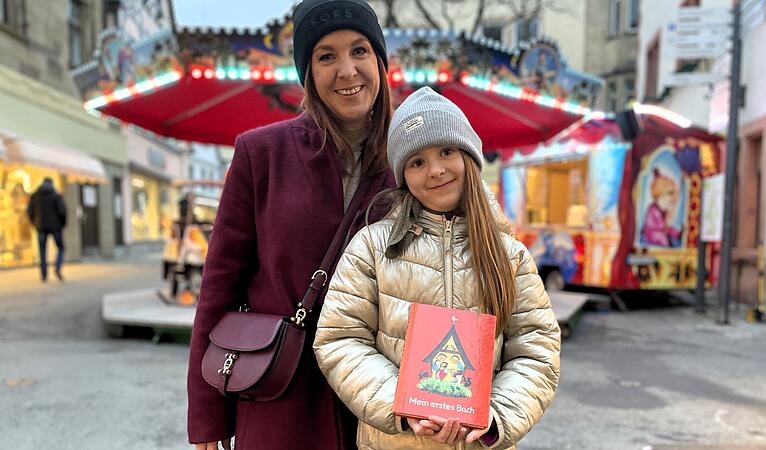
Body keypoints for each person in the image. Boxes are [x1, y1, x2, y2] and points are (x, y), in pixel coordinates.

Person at [186, 0, 395, 448]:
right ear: (307, 73)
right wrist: (207, 415)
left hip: (381, 400)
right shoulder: (261, 154)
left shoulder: (414, 160)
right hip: (281, 397)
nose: (347, 70)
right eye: (326, 56)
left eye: (359, 50)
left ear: (379, 60)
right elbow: (219, 286)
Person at [314, 87, 561, 449]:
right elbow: (340, 339)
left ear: (468, 157)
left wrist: (497, 417)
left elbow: (536, 350)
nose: (436, 170)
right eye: (417, 162)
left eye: (446, 151)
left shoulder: (509, 256)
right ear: (403, 175)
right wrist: (402, 405)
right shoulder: (372, 248)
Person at [27, 177, 66, 282]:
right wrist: (62, 224)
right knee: (61, 247)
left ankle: (44, 274)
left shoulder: (35, 196)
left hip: (40, 227)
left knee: (42, 251)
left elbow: (30, 211)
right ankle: (57, 267)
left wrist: (34, 223)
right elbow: (62, 211)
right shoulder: (56, 196)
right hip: (56, 227)